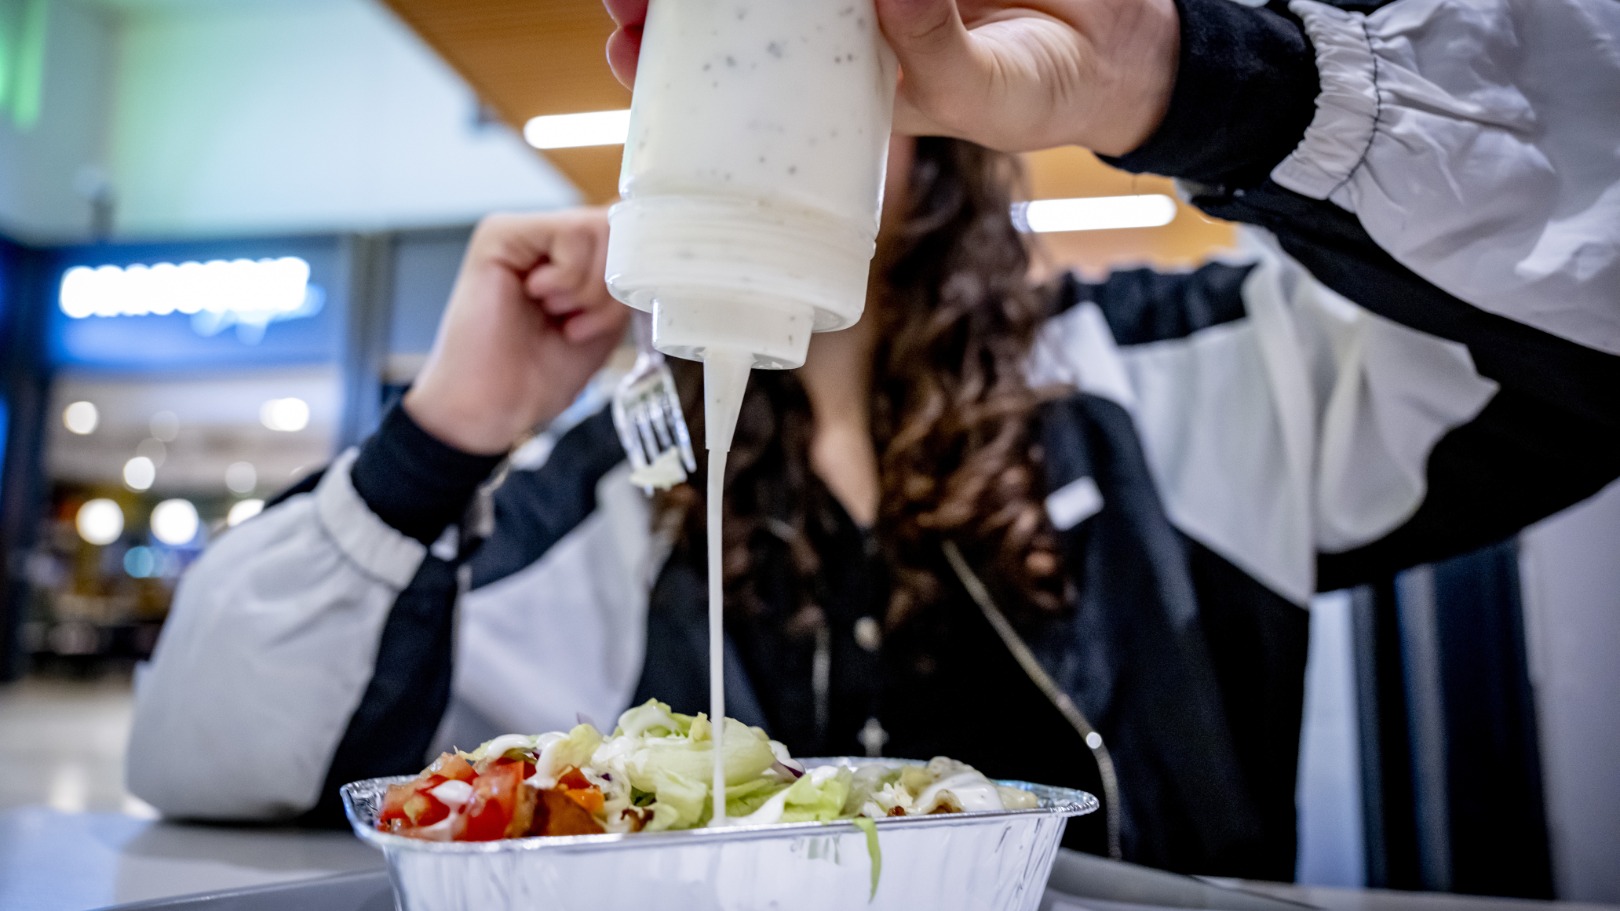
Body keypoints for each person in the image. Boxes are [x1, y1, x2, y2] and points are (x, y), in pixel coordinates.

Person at [126, 0, 1619, 881]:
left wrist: (1204, 78)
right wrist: (446, 437)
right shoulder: (610, 482)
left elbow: (1589, 328)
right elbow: (212, 760)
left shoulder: (1191, 375)